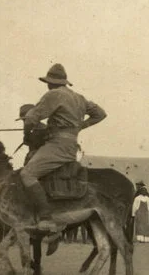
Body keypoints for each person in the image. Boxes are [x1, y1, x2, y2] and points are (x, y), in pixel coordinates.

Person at [19, 63, 107, 231]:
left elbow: (30, 118)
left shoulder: (53, 94)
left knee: (27, 174)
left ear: (50, 82)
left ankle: (46, 218)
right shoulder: (79, 97)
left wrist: (26, 135)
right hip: (71, 146)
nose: (47, 85)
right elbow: (101, 114)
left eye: (47, 82)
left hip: (57, 146)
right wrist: (81, 125)